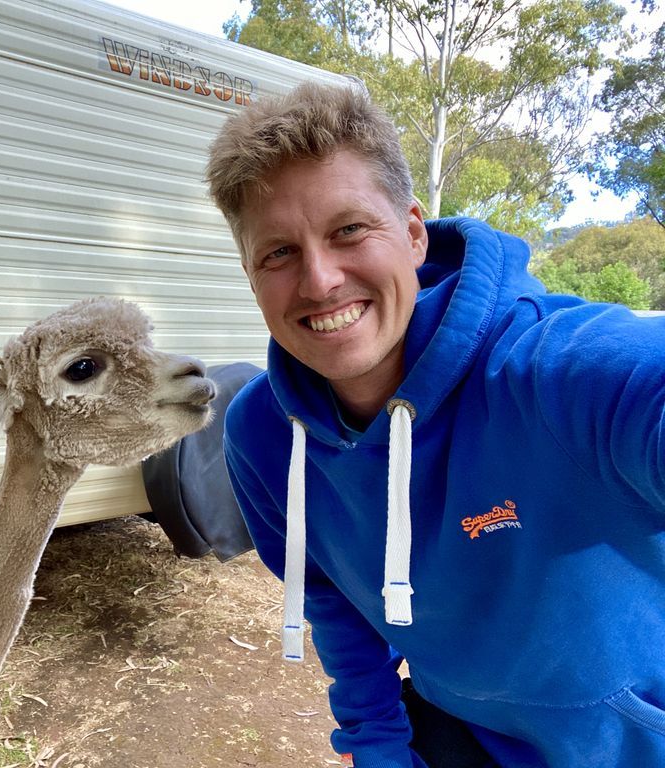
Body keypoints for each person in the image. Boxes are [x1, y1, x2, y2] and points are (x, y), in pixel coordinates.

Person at [205, 79, 665, 767]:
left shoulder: (548, 371)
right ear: (250, 274)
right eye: (279, 253)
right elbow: (332, 600)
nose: (320, 280)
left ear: (414, 232)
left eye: (349, 230)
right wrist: (378, 747)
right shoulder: (262, 435)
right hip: (458, 735)